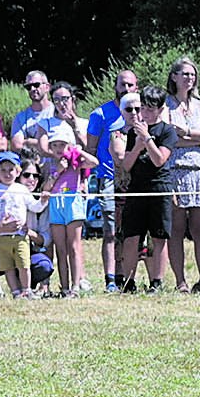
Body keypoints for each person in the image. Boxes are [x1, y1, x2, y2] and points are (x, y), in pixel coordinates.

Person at [163, 59, 200, 291]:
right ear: (174, 76)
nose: (189, 78)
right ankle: (181, 282)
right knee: (176, 229)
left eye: (193, 74)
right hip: (175, 172)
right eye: (184, 73)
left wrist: (187, 133)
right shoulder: (165, 105)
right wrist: (197, 138)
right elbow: (169, 138)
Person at [85, 70, 140, 290]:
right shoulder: (100, 114)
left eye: (130, 85)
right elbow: (90, 149)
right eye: (122, 84)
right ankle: (110, 279)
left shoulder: (140, 112)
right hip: (108, 177)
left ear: (136, 87)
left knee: (131, 230)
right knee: (110, 230)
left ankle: (126, 276)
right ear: (115, 86)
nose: (126, 89)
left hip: (134, 178)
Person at [115, 91, 172, 291]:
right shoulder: (132, 133)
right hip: (136, 189)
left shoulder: (167, 131)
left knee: (159, 237)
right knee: (131, 237)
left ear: (160, 109)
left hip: (159, 188)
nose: (144, 114)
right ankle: (129, 282)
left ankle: (157, 282)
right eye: (143, 109)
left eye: (149, 109)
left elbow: (159, 160)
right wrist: (137, 146)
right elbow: (127, 165)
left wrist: (147, 139)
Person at [40, 102, 90, 297]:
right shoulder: (50, 165)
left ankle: (76, 286)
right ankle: (64, 286)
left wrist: (78, 152)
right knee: (60, 248)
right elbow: (45, 189)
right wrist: (56, 173)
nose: (59, 148)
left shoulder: (76, 163)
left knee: (74, 246)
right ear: (51, 147)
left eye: (62, 145)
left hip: (72, 202)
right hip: (56, 204)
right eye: (55, 145)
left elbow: (93, 163)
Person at [0, 150, 38, 297]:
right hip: (1, 238)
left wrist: (43, 200)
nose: (7, 173)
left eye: (11, 169)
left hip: (19, 236)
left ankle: (26, 289)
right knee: (8, 267)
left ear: (18, 172)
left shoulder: (22, 190)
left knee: (24, 265)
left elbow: (35, 207)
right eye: (3, 170)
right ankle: (16, 292)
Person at [8, 70, 54, 148]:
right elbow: (16, 145)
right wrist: (46, 143)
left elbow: (63, 144)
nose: (32, 89)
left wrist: (28, 141)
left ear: (47, 87)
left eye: (36, 85)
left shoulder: (57, 113)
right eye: (28, 87)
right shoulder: (20, 118)